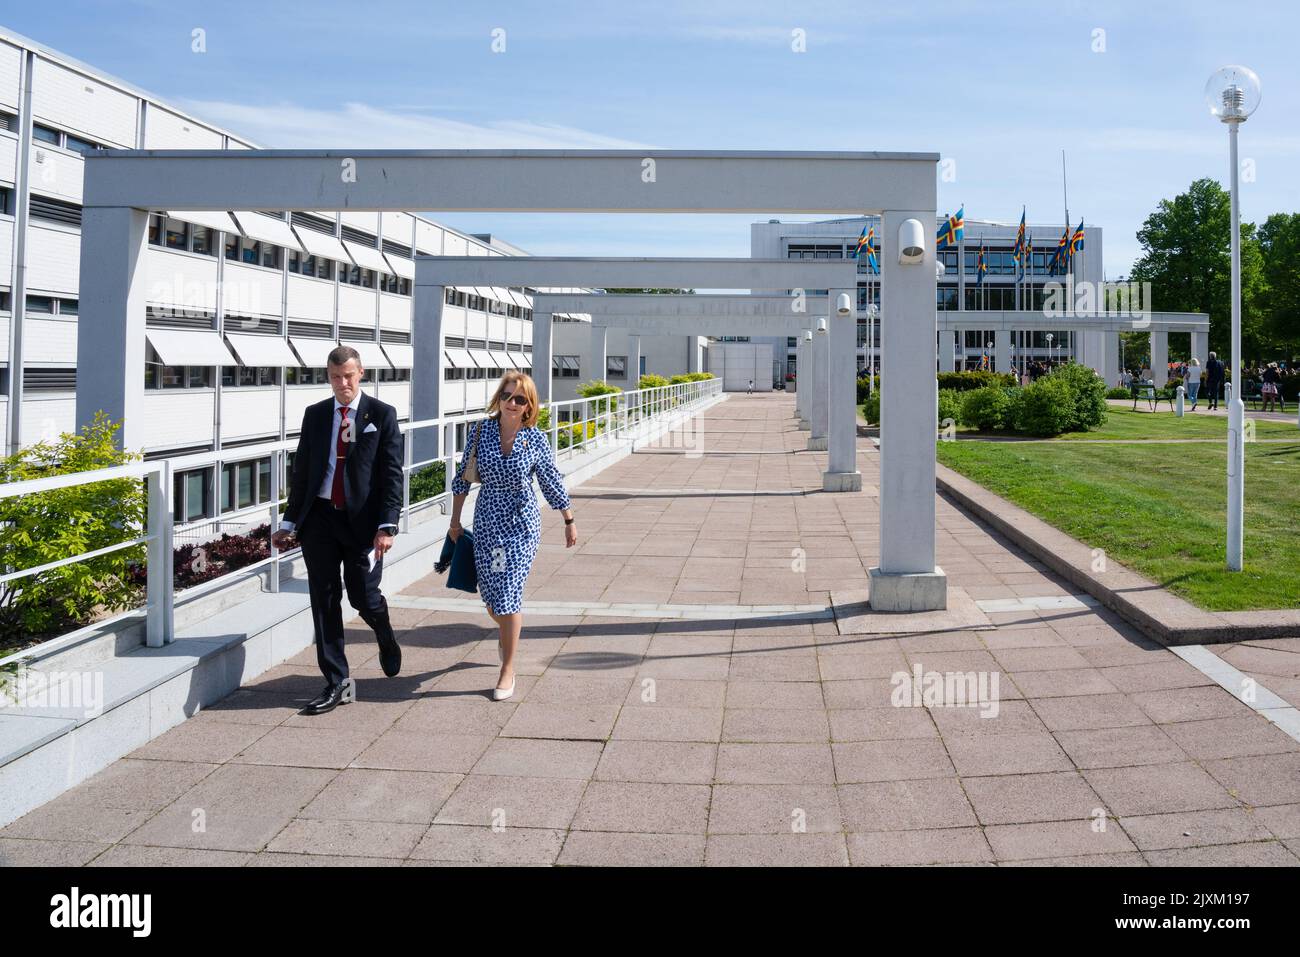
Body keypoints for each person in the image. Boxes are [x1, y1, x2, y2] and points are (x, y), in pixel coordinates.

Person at [272, 346, 404, 716]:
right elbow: (303, 474)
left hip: (361, 523)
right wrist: (289, 522)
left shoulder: (381, 415)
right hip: (320, 519)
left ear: (360, 373)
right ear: (328, 377)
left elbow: (392, 476)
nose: (342, 383)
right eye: (335, 377)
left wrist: (386, 525)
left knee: (363, 597)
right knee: (325, 600)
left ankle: (383, 630)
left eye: (348, 375)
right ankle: (337, 683)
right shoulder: (315, 415)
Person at [449, 372, 577, 700]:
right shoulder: (482, 431)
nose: (512, 403)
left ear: (528, 405)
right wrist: (455, 522)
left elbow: (550, 479)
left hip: (522, 524)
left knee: (508, 592)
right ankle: (507, 630)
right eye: (507, 396)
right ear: (499, 398)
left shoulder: (535, 439)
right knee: (493, 598)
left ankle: (508, 668)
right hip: (489, 520)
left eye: (520, 399)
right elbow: (463, 477)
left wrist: (568, 518)